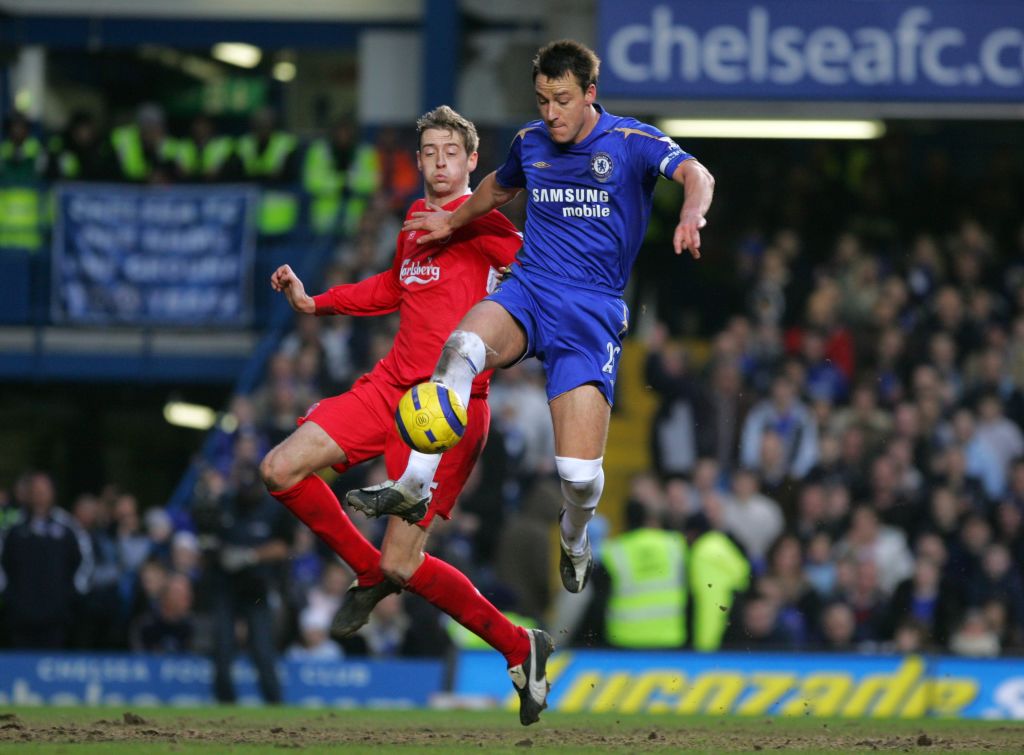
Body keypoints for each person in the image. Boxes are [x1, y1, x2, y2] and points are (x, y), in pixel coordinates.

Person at [350, 40, 714, 599]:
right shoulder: (531, 141)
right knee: (463, 346)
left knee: (578, 476)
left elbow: (697, 174)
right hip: (530, 289)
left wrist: (691, 214)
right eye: (543, 99)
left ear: (590, 94)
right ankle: (414, 484)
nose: (551, 113)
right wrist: (452, 222)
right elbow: (498, 186)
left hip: (591, 310)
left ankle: (574, 536)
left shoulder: (630, 141)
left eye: (562, 100)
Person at [259, 105, 554, 725]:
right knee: (279, 470)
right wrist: (315, 304)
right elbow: (392, 287)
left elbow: (540, 278)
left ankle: (517, 644)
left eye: (452, 152)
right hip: (388, 387)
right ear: (418, 161)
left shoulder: (489, 227)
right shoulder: (416, 223)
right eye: (429, 153)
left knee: (404, 564)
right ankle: (366, 570)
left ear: (473, 162)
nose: (440, 163)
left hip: (445, 411)